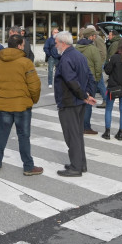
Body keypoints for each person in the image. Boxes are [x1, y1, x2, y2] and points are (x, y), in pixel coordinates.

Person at [0, 34, 43, 175]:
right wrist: (33, 100)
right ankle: (28, 166)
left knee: (2, 133)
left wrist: (0, 96)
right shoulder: (26, 63)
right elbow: (35, 86)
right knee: (23, 136)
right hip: (22, 105)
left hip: (4, 104)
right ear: (20, 46)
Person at [53, 31, 97, 177]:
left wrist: (85, 95)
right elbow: (90, 76)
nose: (55, 45)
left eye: (57, 42)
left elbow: (71, 81)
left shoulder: (66, 59)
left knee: (72, 135)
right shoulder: (79, 55)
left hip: (69, 102)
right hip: (78, 102)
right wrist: (88, 94)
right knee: (77, 134)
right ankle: (80, 163)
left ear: (63, 43)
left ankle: (76, 167)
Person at [74, 27, 102, 135]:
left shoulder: (76, 47)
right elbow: (98, 65)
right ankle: (86, 127)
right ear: (90, 36)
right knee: (88, 104)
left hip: (78, 79)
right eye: (94, 36)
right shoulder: (93, 48)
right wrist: (97, 78)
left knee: (79, 103)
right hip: (91, 80)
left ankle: (78, 125)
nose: (95, 37)